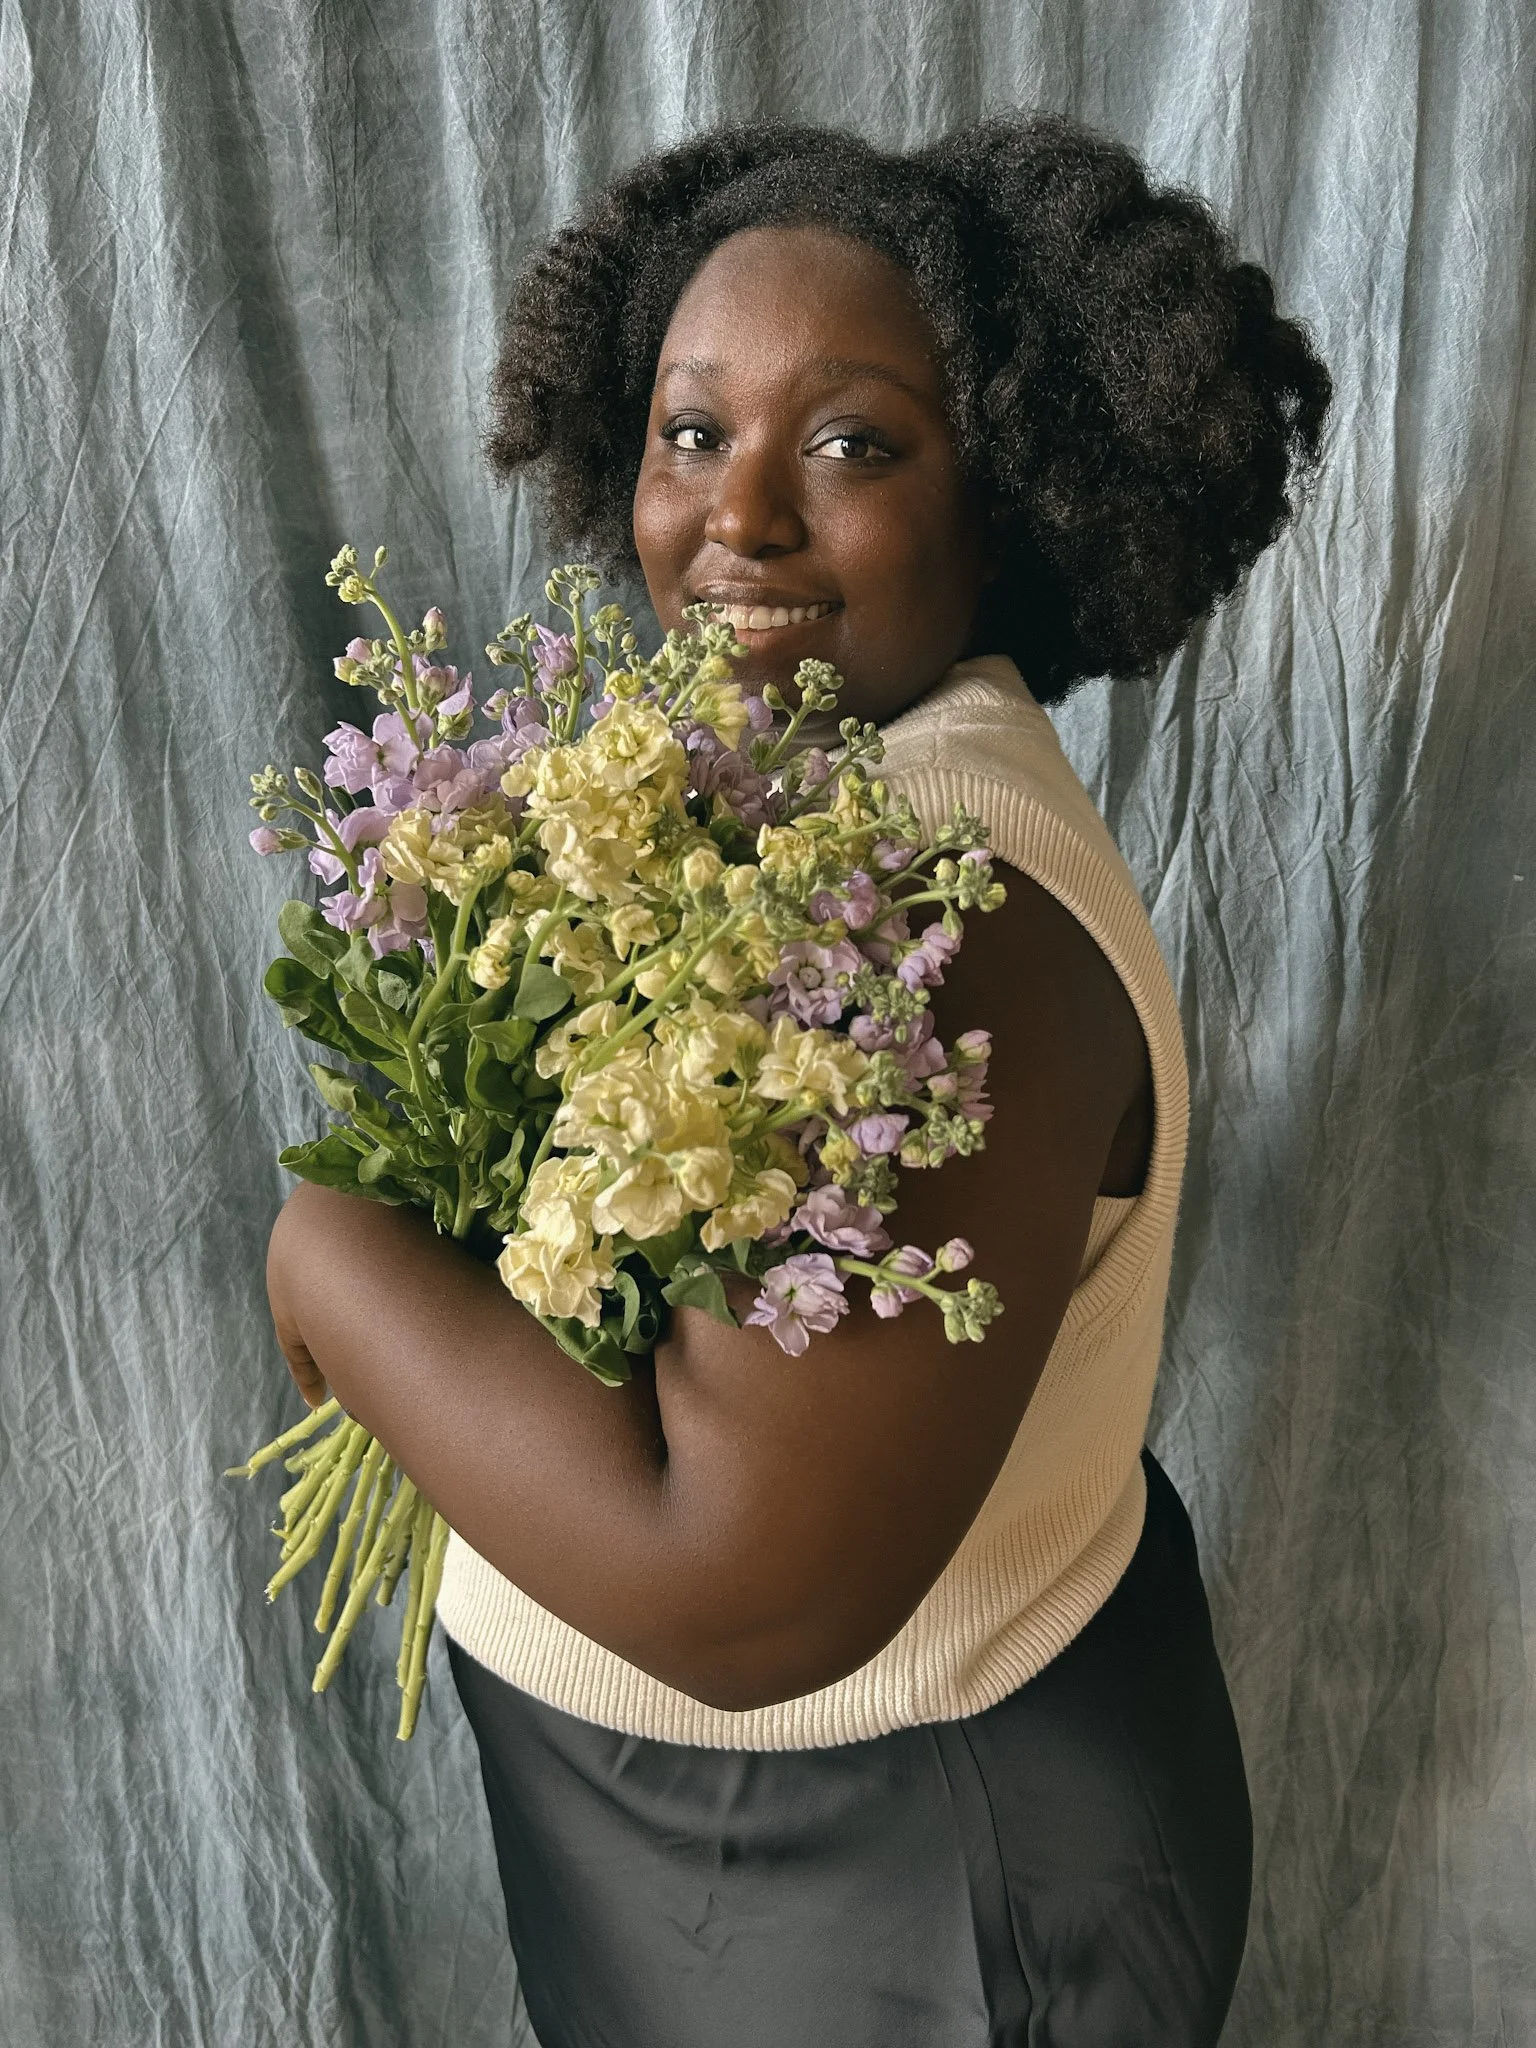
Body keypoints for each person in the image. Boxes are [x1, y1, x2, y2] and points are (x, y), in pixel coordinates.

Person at [265, 114, 1331, 2047]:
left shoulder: (944, 919)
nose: (738, 515)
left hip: (901, 1876)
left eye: (853, 445)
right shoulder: (792, 786)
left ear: (1008, 494)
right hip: (702, 1848)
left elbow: (742, 1594)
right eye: (693, 431)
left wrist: (335, 1258)